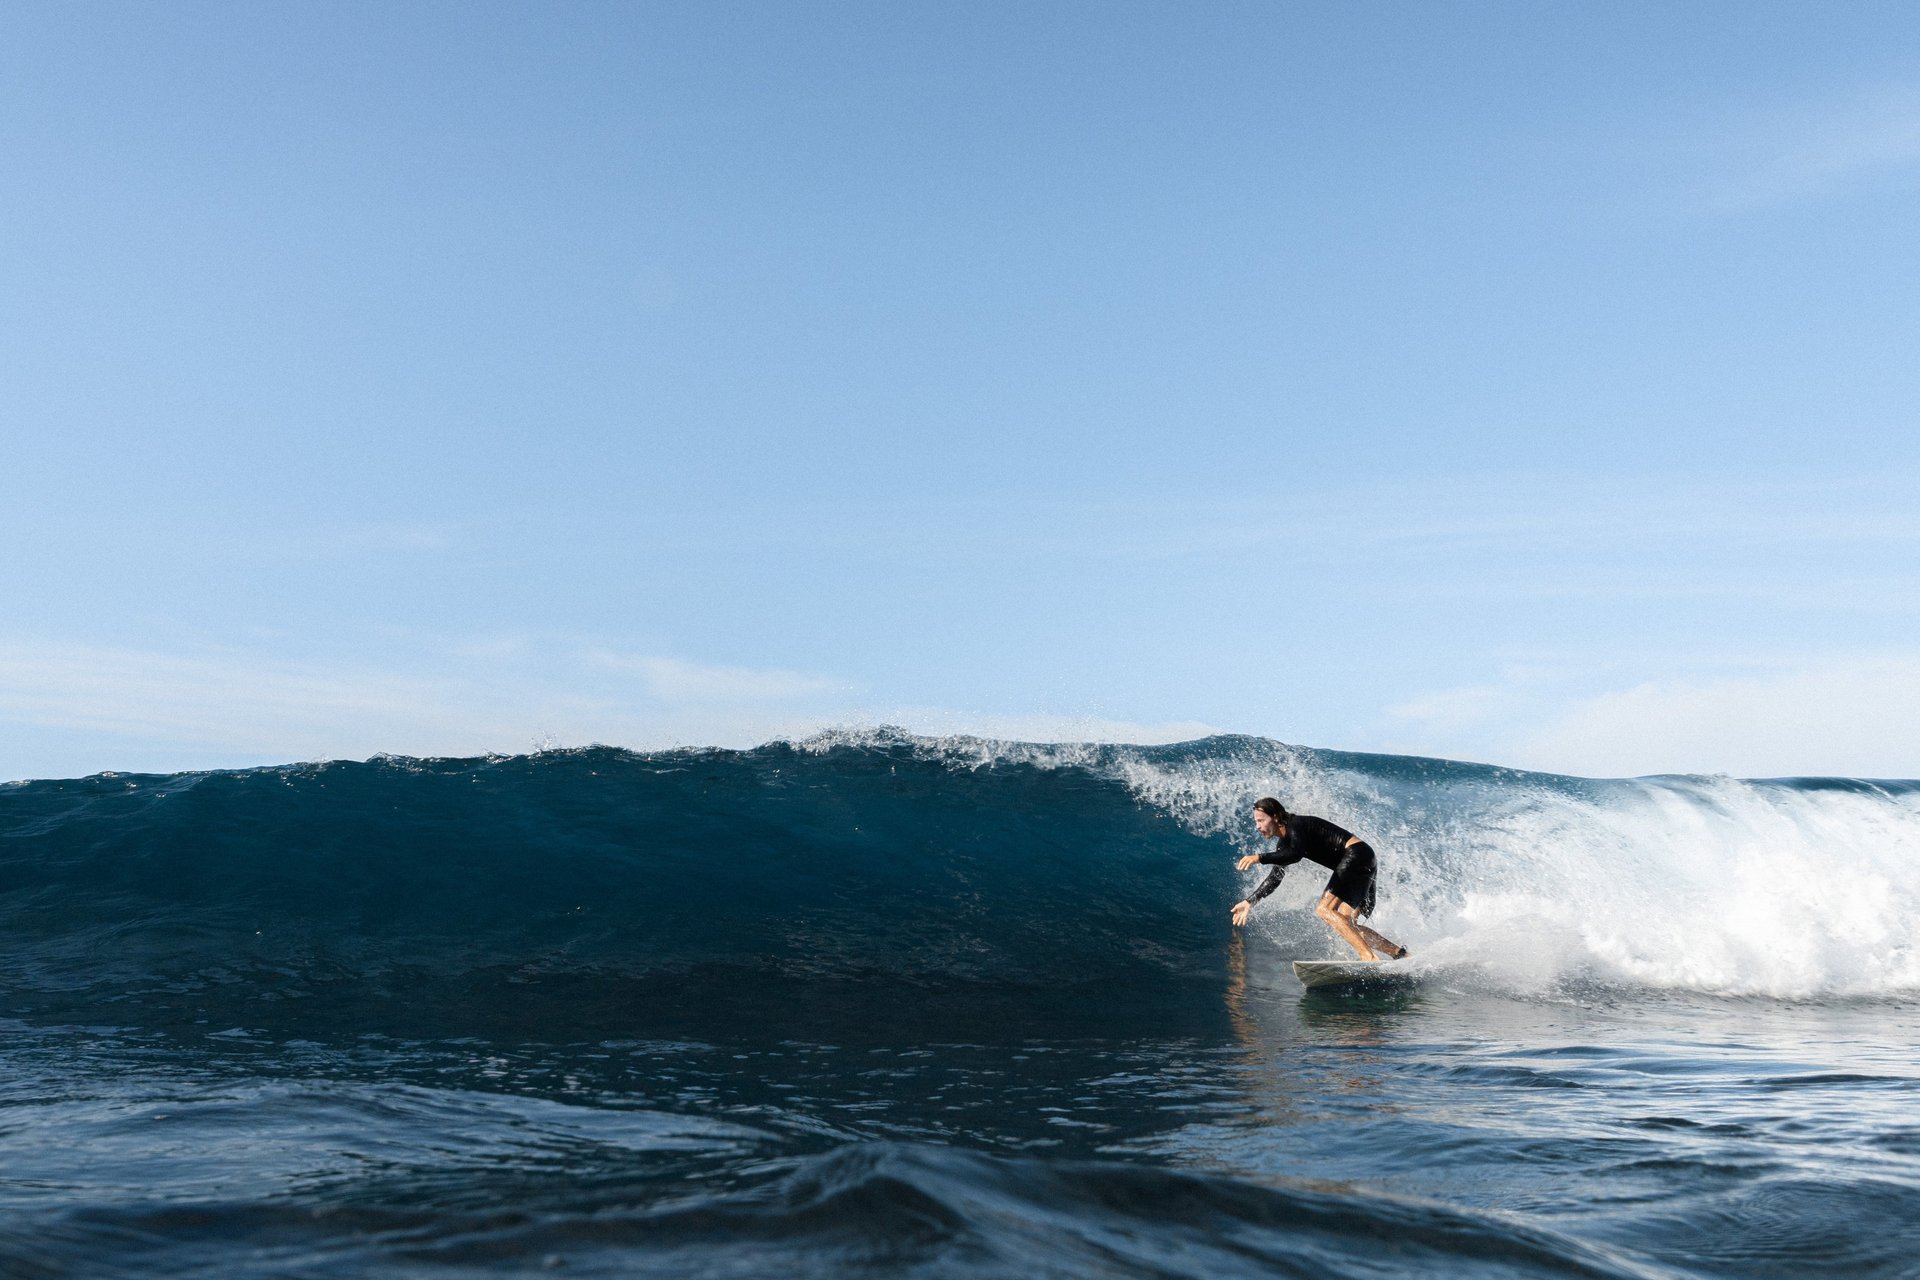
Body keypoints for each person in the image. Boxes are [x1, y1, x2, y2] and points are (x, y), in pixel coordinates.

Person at [1230, 797, 1407, 961]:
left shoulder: (1296, 825)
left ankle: (1368, 957)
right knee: (1345, 923)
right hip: (1364, 858)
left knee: (1324, 910)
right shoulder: (1285, 844)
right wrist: (1250, 901)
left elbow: (1296, 854)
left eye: (1261, 820)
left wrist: (1259, 858)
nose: (1257, 826)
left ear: (1275, 817)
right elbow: (1276, 877)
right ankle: (1399, 954)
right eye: (1256, 822)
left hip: (1356, 856)